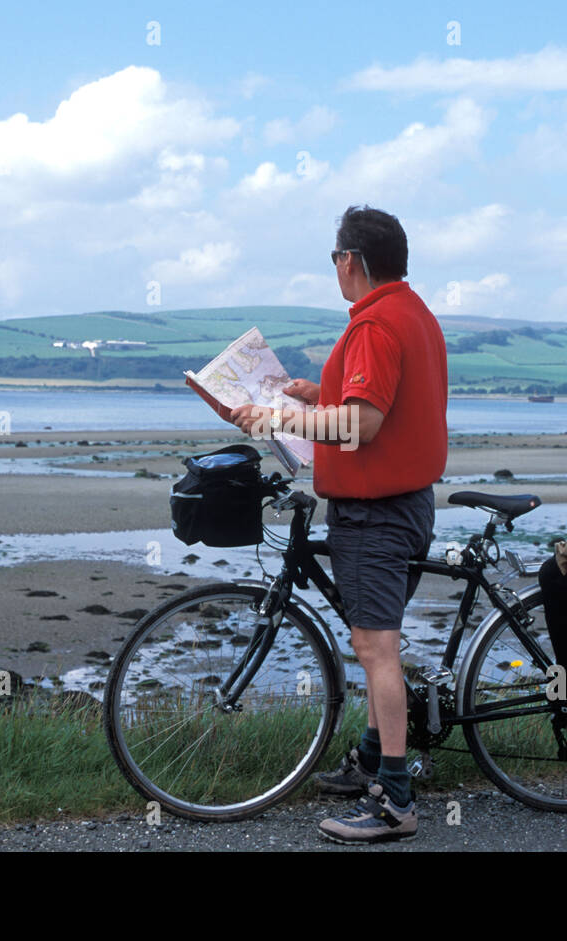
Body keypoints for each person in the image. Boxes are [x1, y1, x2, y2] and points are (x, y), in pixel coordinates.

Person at [229, 205, 448, 844]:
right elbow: (374, 405)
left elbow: (363, 424)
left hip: (376, 515)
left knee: (376, 649)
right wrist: (308, 393)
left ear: (349, 260)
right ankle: (371, 760)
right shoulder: (414, 313)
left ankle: (395, 803)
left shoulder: (376, 325)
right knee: (377, 641)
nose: (334, 267)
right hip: (406, 503)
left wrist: (275, 421)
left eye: (333, 257)